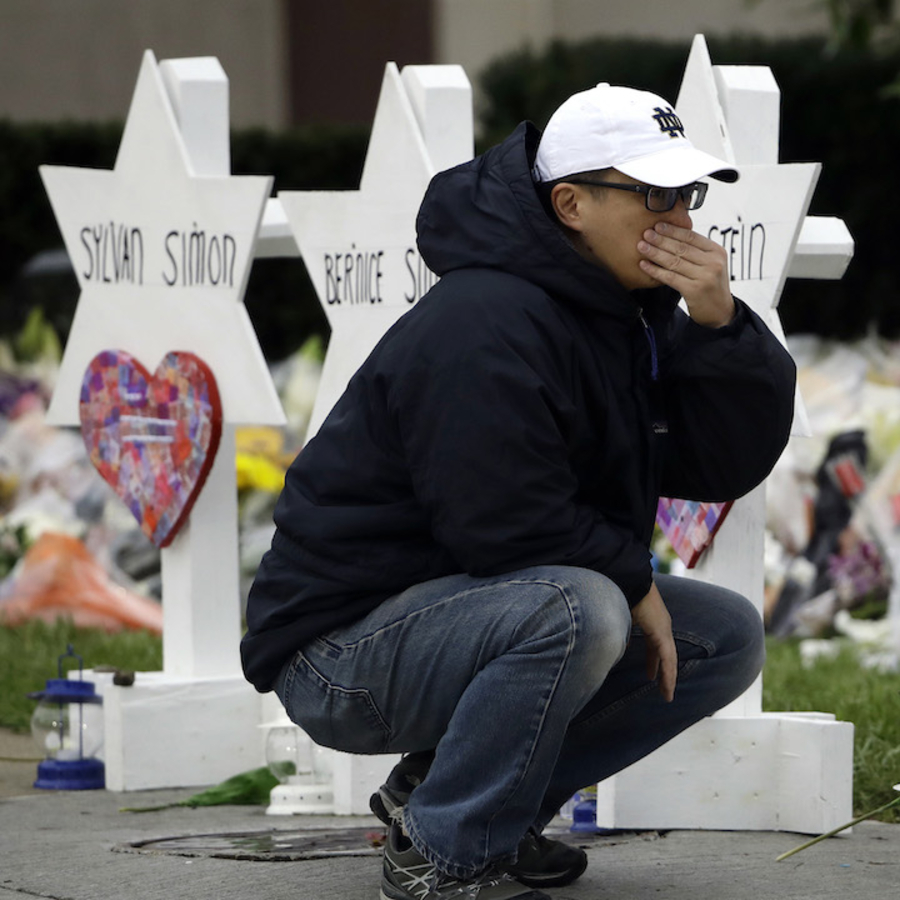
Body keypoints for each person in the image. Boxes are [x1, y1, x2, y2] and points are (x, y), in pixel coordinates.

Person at [240, 83, 796, 900]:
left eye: (687, 193)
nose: (679, 217)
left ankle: (465, 804)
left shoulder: (621, 312)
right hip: (339, 654)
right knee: (582, 608)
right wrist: (634, 582)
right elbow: (501, 523)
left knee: (723, 636)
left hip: (460, 613)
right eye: (653, 193)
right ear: (570, 203)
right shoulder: (486, 317)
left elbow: (714, 466)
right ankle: (443, 848)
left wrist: (721, 329)